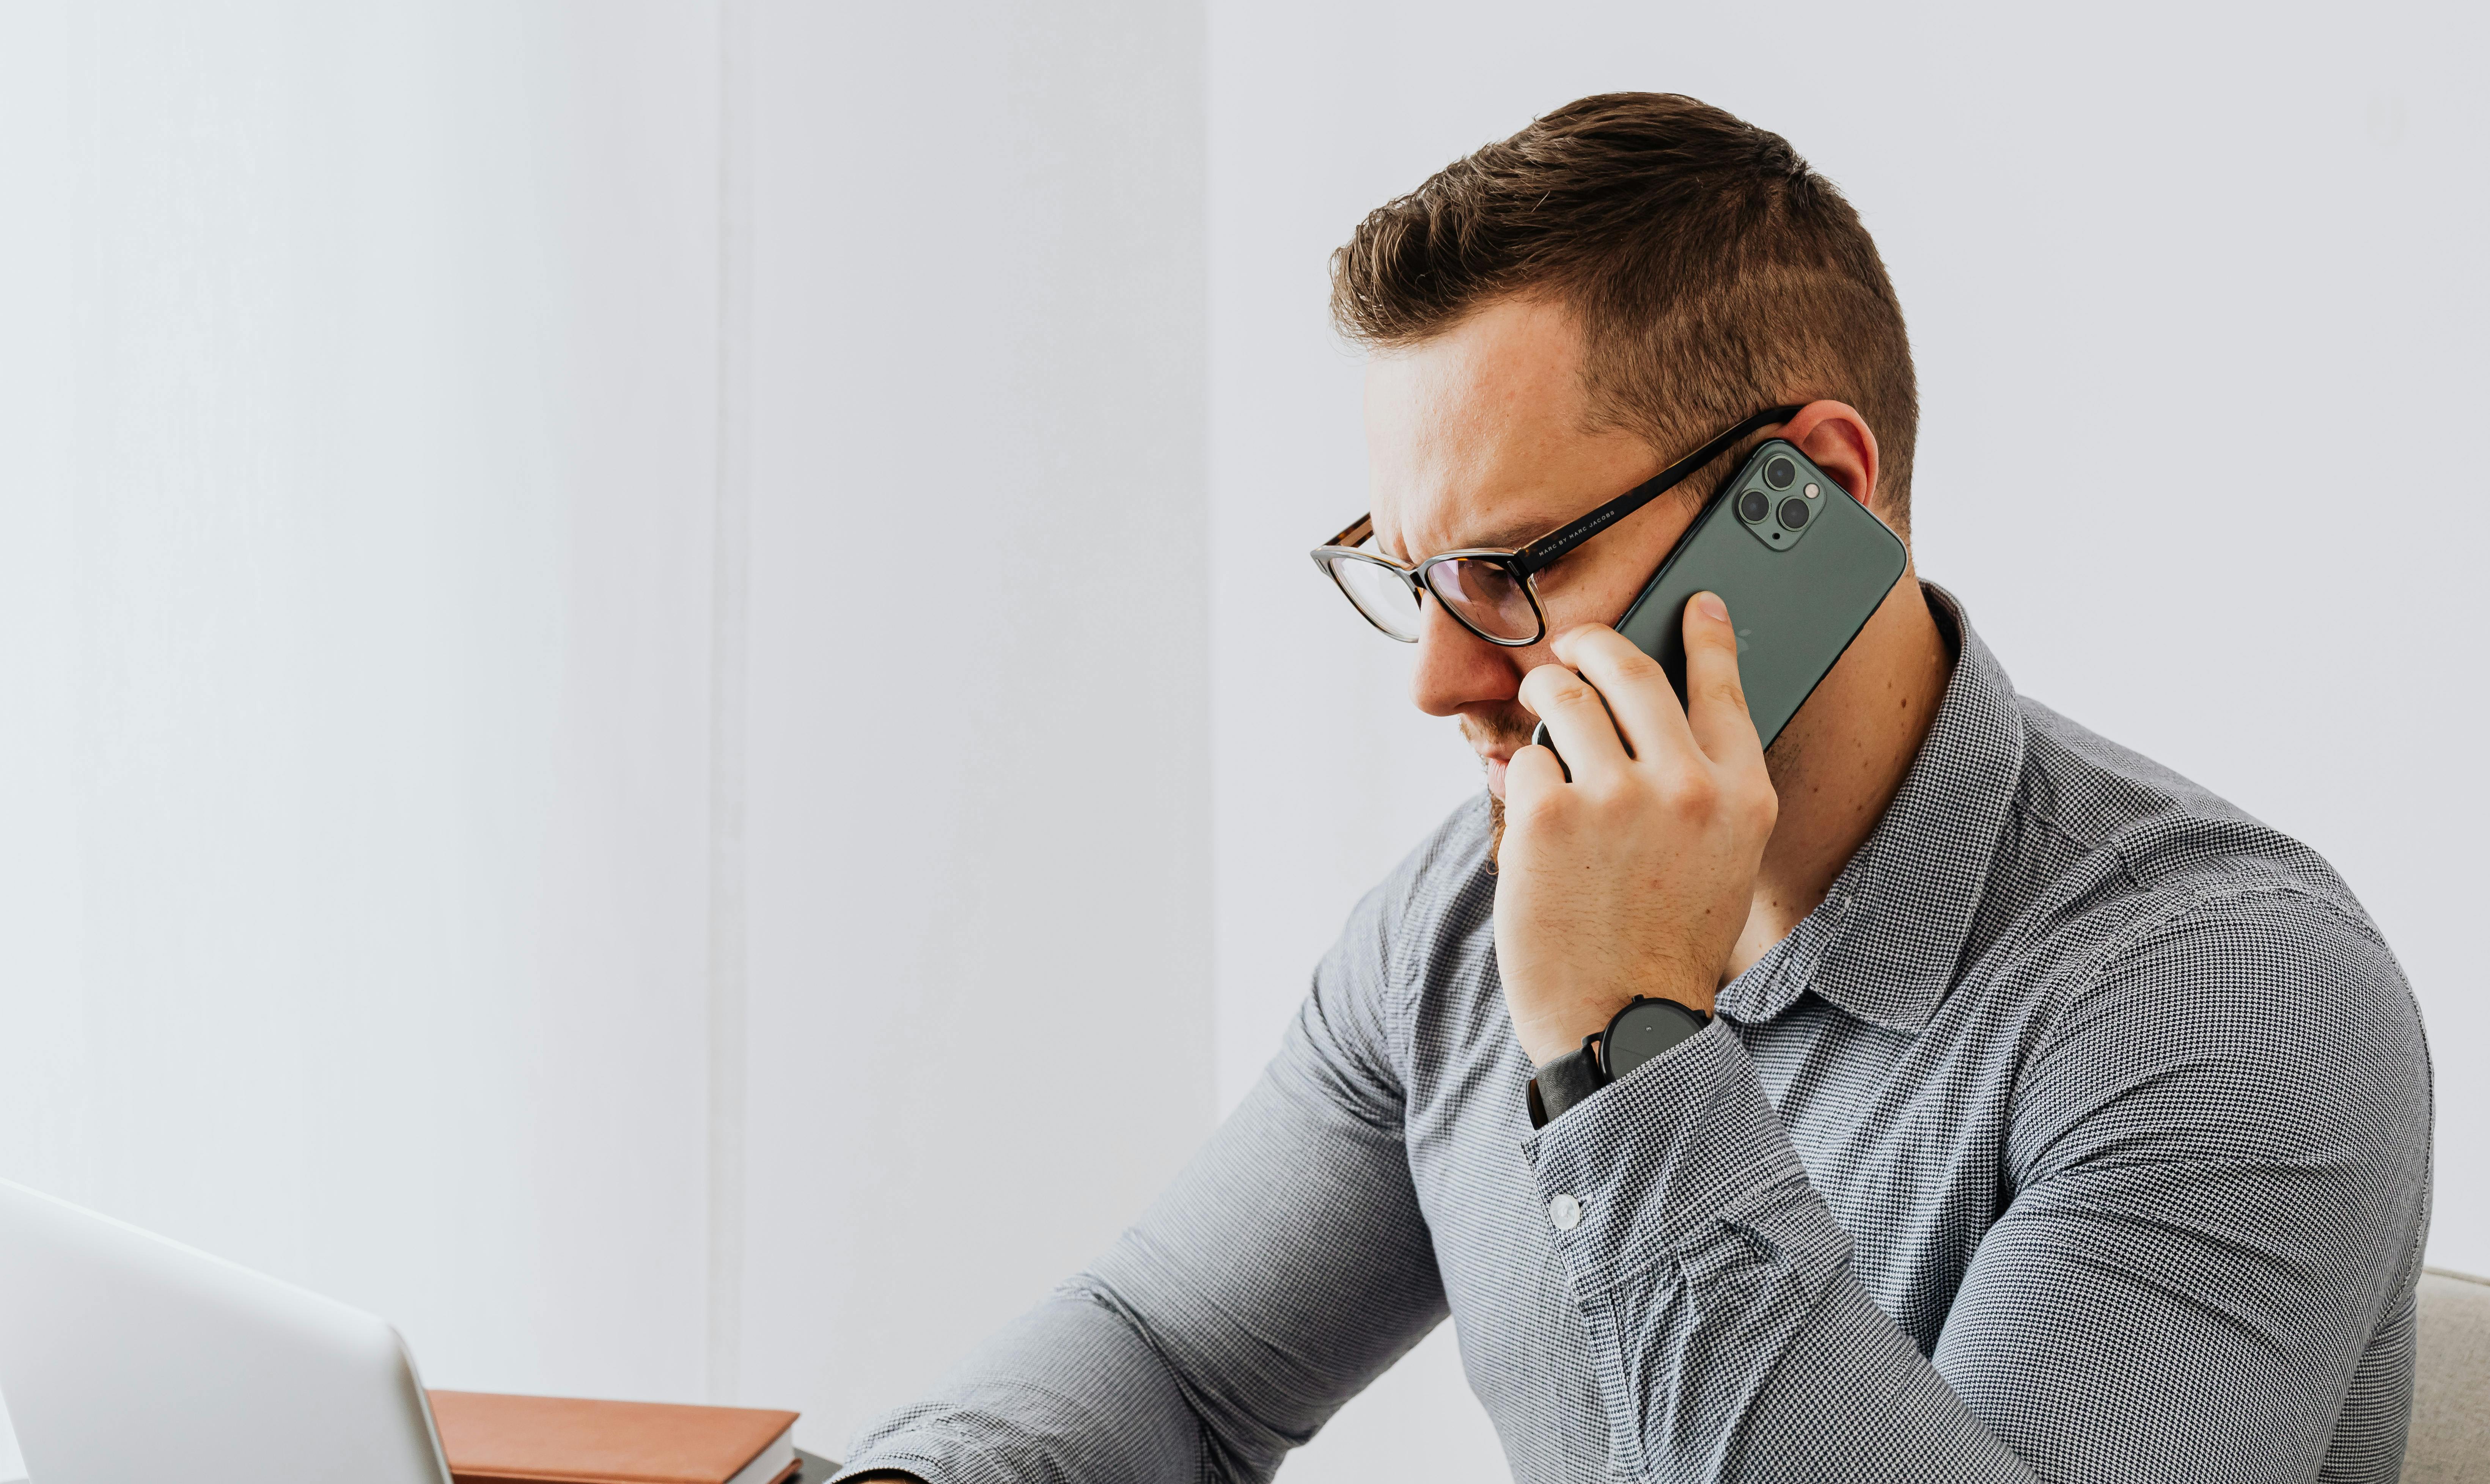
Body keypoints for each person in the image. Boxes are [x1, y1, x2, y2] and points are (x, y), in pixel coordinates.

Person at [836, 94, 2433, 1483]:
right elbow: (1168, 1355)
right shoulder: (1459, 924)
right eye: (1415, 577)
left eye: (1511, 570)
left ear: (1808, 496)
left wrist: (1626, 1053)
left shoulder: (2234, 990)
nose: (1441, 678)